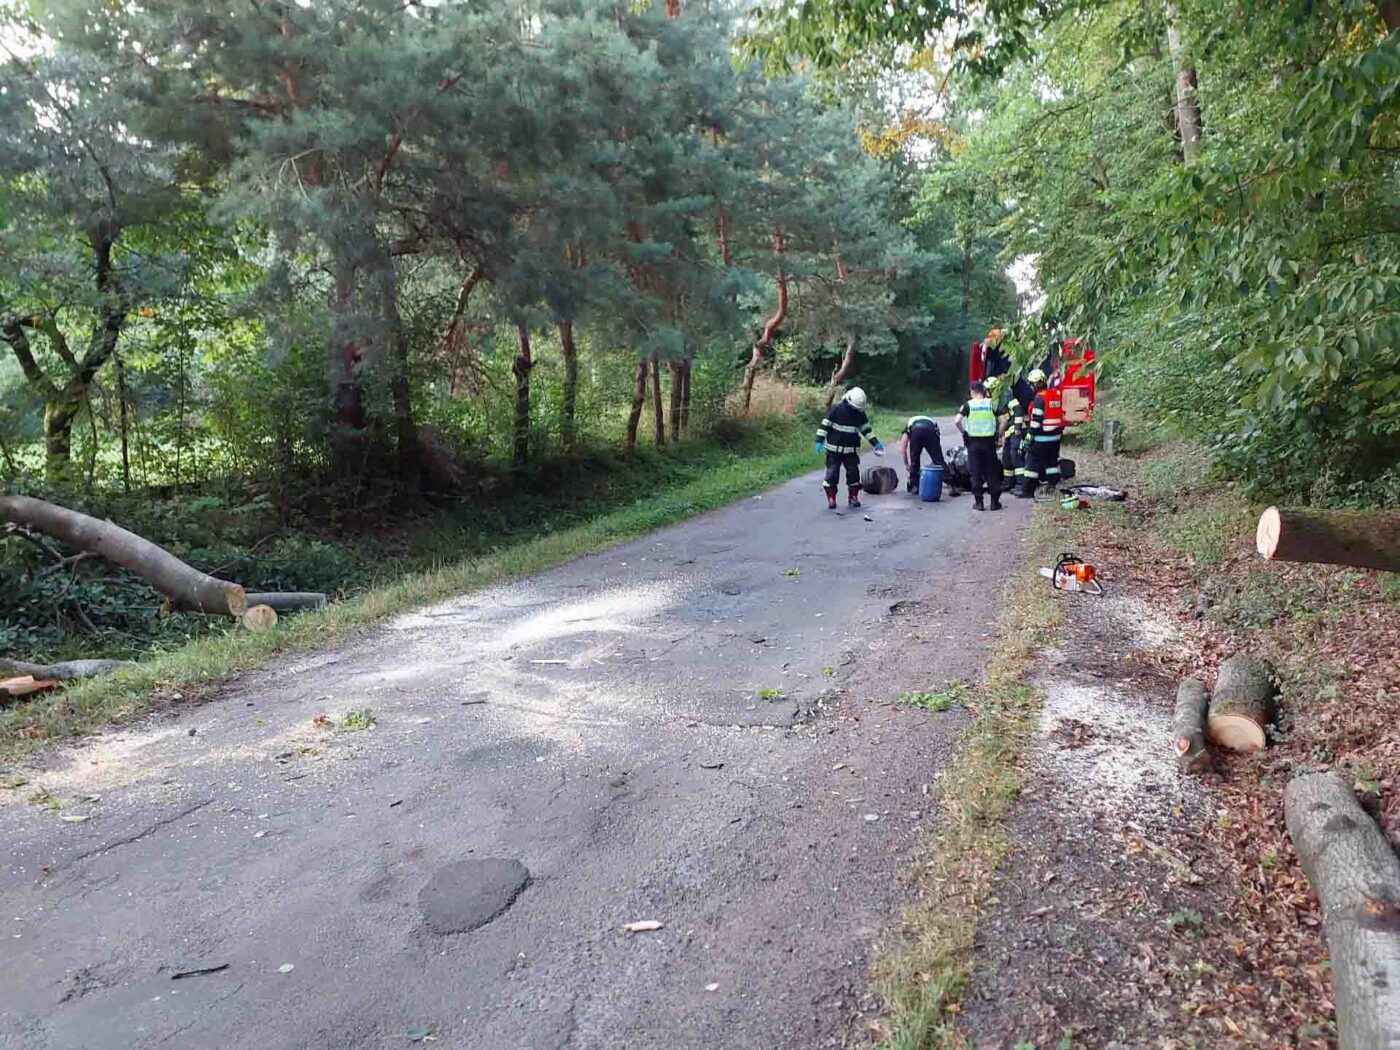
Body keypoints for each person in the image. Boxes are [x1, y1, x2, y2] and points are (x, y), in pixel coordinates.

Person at [815, 387, 884, 510]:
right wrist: (819, 441)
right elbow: (824, 426)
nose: (855, 410)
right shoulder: (835, 410)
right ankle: (831, 498)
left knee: (853, 475)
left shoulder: (860, 414)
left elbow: (866, 431)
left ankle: (853, 497)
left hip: (851, 452)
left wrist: (876, 443)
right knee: (832, 475)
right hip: (833, 451)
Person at [954, 381, 1004, 511]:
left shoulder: (968, 405)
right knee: (991, 473)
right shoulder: (991, 403)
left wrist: (964, 432)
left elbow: (957, 421)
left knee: (975, 473)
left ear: (972, 391)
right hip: (989, 443)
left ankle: (979, 503)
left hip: (973, 443)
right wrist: (998, 434)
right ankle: (994, 503)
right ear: (984, 391)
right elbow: (1004, 420)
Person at [1019, 368, 1064, 498]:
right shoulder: (1055, 394)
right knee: (1052, 463)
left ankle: (1027, 491)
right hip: (1055, 438)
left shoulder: (1039, 399)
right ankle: (1052, 485)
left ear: (1034, 384)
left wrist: (1027, 441)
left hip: (1041, 439)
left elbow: (1035, 424)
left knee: (1032, 464)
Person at [899, 413, 945, 494]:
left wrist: (906, 464)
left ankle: (914, 486)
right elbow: (937, 440)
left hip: (916, 430)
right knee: (939, 460)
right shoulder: (929, 421)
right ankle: (951, 483)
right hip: (930, 430)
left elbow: (903, 448)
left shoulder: (909, 426)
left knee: (914, 461)